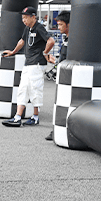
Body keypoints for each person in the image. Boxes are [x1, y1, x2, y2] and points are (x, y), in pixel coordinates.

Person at [1, 6, 55, 127]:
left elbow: (51, 41)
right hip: (29, 63)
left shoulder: (39, 27)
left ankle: (34, 117)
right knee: (23, 89)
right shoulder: (28, 29)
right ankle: (18, 117)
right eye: (22, 18)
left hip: (37, 63)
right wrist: (13, 52)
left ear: (33, 17)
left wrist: (45, 53)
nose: (23, 20)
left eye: (25, 18)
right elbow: (22, 41)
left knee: (35, 89)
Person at [45, 10, 70, 140]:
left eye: (61, 25)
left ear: (69, 24)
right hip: (62, 77)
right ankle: (56, 130)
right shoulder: (65, 38)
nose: (58, 27)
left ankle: (60, 130)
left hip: (69, 80)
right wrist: (55, 61)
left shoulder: (75, 40)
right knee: (59, 104)